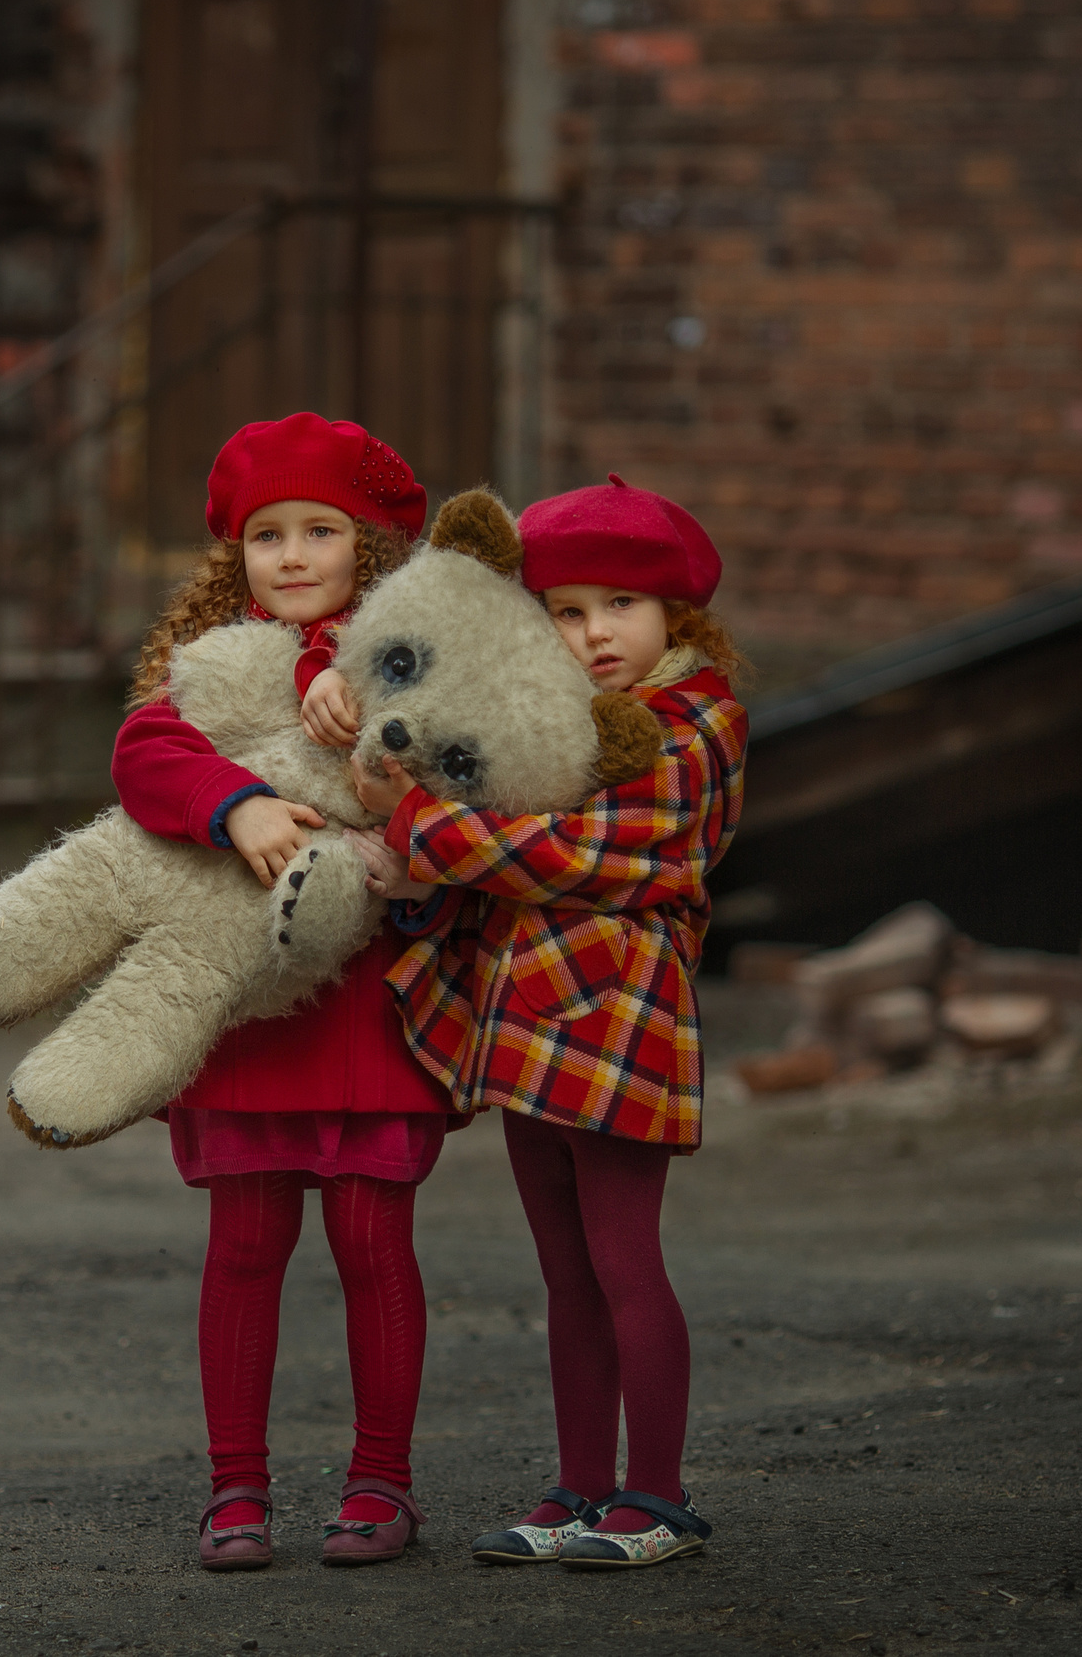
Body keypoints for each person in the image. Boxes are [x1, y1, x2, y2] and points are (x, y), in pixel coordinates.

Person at [341, 475, 751, 1570]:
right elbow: (493, 840)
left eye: (621, 605)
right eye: (566, 610)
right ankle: (579, 1487)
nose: (596, 632)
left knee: (625, 1262)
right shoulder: (544, 717)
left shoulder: (695, 720)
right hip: (525, 1017)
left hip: (619, 1015)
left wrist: (420, 820)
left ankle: (656, 1495)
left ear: (674, 613)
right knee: (565, 1272)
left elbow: (586, 857)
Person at [112, 412, 455, 1570]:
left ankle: (382, 1481)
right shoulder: (213, 663)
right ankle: (235, 1488)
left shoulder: (415, 655)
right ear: (236, 555)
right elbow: (144, 754)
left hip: (368, 1000)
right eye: (268, 535)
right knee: (246, 1243)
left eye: (321, 530)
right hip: (252, 1005)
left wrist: (402, 803)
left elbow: (474, 771)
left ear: (370, 546)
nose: (293, 555)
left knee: (371, 1241)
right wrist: (238, 803)